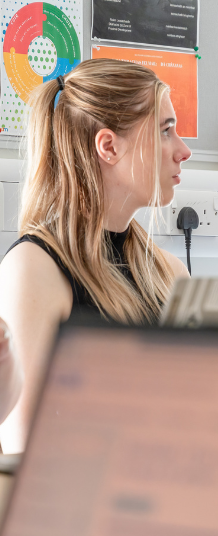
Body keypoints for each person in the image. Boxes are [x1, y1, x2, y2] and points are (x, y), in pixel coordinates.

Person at [0, 59, 191, 453]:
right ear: (108, 146)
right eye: (165, 131)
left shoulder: (170, 273)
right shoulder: (34, 270)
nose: (183, 151)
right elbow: (23, 448)